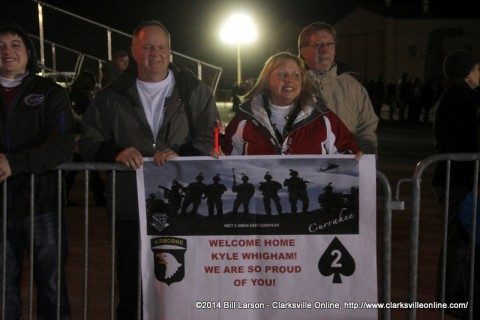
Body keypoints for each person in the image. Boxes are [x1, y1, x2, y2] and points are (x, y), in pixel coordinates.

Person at [78, 20, 219, 319]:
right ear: (133, 50)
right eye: (147, 47)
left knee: (183, 278)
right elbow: (89, 139)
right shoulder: (112, 94)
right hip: (132, 204)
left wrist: (181, 155)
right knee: (133, 280)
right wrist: (116, 152)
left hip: (184, 203)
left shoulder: (193, 89)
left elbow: (210, 134)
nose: (154, 54)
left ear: (169, 52)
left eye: (160, 47)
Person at [0, 22, 74, 319]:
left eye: (15, 44)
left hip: (42, 207)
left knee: (52, 286)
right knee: (3, 288)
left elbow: (62, 146)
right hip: (0, 209)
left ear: (28, 51)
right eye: (0, 46)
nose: (7, 51)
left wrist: (13, 163)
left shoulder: (50, 92)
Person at [222, 51, 361, 158]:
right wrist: (216, 155)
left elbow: (348, 152)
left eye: (296, 75)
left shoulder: (322, 118)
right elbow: (225, 157)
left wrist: (355, 156)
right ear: (267, 80)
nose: (289, 80)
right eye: (282, 74)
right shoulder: (245, 119)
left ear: (302, 81)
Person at [431, 49, 480, 319]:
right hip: (456, 179)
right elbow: (462, 142)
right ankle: (451, 298)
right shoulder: (456, 100)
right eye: (478, 70)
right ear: (466, 73)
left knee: (463, 240)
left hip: (461, 178)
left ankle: (458, 294)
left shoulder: (465, 97)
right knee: (457, 241)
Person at [297, 22, 378, 155]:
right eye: (318, 45)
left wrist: (364, 152)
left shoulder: (354, 87)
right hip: (306, 169)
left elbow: (367, 129)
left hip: (347, 168)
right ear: (303, 51)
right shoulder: (290, 86)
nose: (324, 50)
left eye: (330, 44)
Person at [65, 70, 106, 206]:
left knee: (74, 169)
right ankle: (100, 199)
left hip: (76, 134)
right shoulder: (85, 97)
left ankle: (63, 197)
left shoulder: (73, 95)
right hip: (84, 135)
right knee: (92, 169)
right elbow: (87, 117)